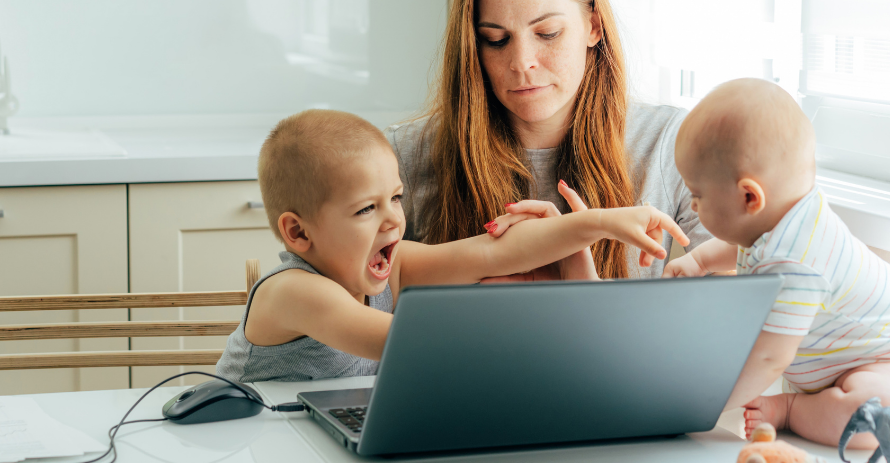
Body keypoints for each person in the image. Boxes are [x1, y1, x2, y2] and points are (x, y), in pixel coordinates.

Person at [216, 109, 687, 383]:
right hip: (249, 454)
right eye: (366, 210)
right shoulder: (294, 291)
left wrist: (601, 223)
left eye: (396, 199)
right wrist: (540, 326)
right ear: (298, 234)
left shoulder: (391, 265)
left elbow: (494, 251)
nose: (394, 220)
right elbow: (405, 343)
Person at [390, 0, 712, 280]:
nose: (521, 63)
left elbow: (741, 305)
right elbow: (325, 312)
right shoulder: (401, 155)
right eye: (496, 39)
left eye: (547, 33)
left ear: (593, 27)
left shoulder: (671, 142)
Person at [663, 78, 890, 447]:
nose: (692, 206)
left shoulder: (798, 261)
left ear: (749, 197)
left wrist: (703, 407)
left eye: (696, 195)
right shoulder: (786, 218)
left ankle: (790, 409)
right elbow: (743, 246)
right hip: (851, 368)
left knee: (868, 417)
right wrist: (697, 261)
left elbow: (771, 357)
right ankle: (810, 403)